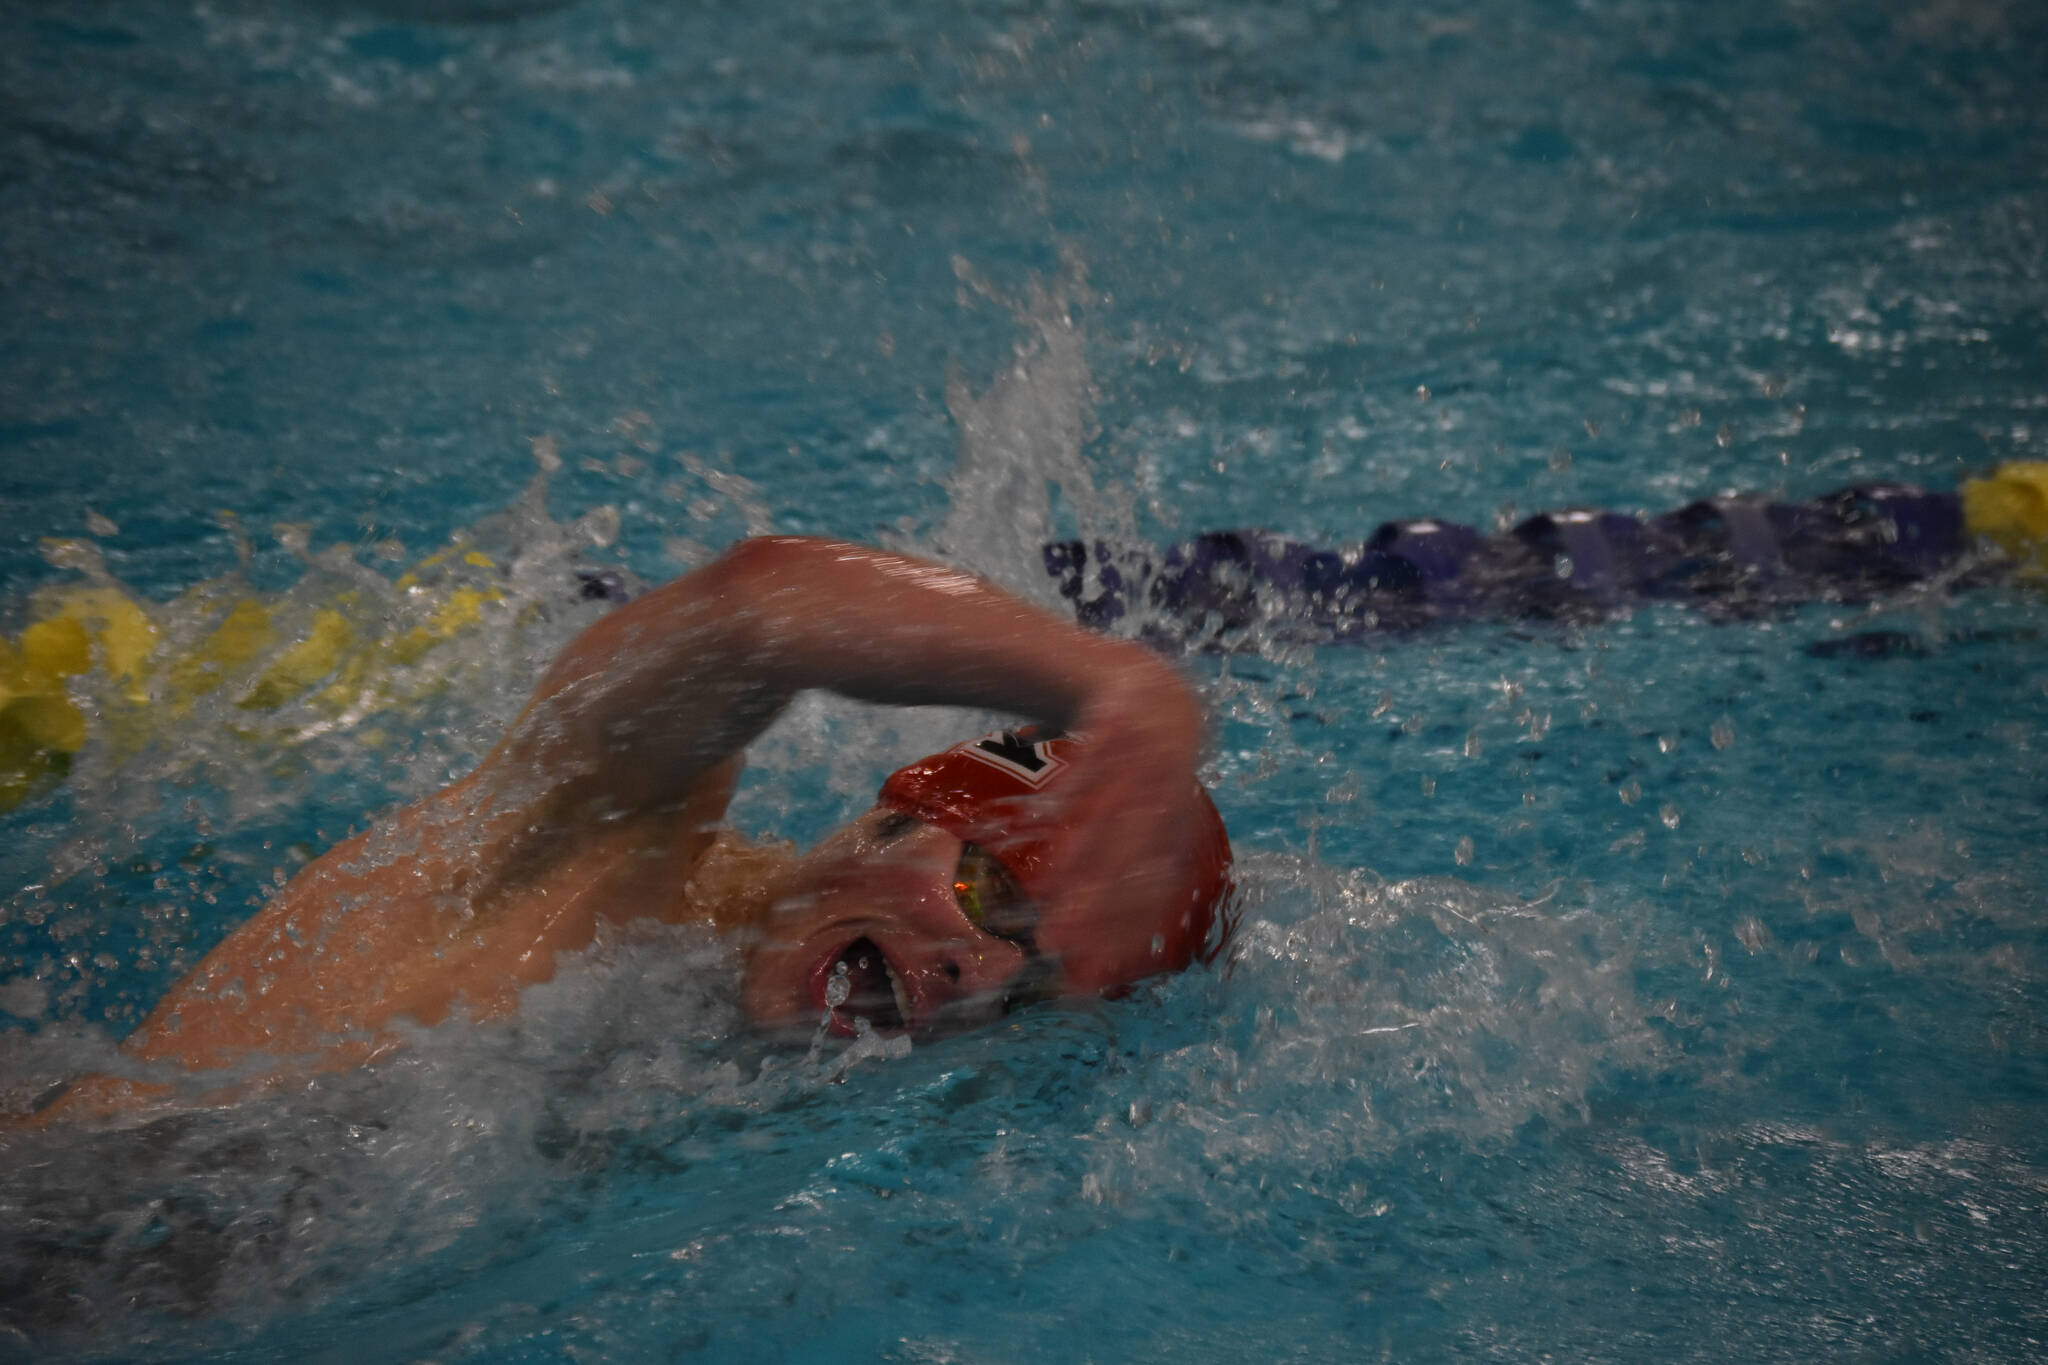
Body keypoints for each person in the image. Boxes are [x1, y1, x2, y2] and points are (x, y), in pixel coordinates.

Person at [30, 537, 1232, 1124]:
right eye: (992, 895)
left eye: (1039, 983)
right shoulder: (606, 840)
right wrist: (1118, 687)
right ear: (889, 823)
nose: (985, 971)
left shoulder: (708, 1071)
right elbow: (754, 608)